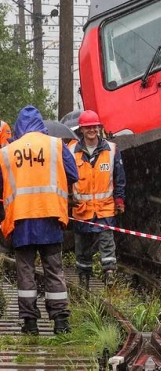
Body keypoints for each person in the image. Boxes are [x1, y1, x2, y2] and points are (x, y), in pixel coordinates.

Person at [0, 105, 78, 335]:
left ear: (19, 126)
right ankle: (60, 322)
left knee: (26, 272)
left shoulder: (7, 152)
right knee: (54, 270)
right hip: (50, 217)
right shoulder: (56, 145)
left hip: (21, 221)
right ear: (41, 124)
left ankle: (30, 323)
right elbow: (73, 174)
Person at [68, 110, 126, 289]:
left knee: (107, 243)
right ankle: (83, 282)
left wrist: (119, 201)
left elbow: (120, 178)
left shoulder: (112, 149)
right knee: (82, 248)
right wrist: (69, 197)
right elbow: (65, 177)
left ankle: (110, 276)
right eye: (87, 127)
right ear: (82, 130)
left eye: (94, 126)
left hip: (104, 207)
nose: (91, 130)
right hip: (81, 208)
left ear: (99, 128)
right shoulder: (71, 151)